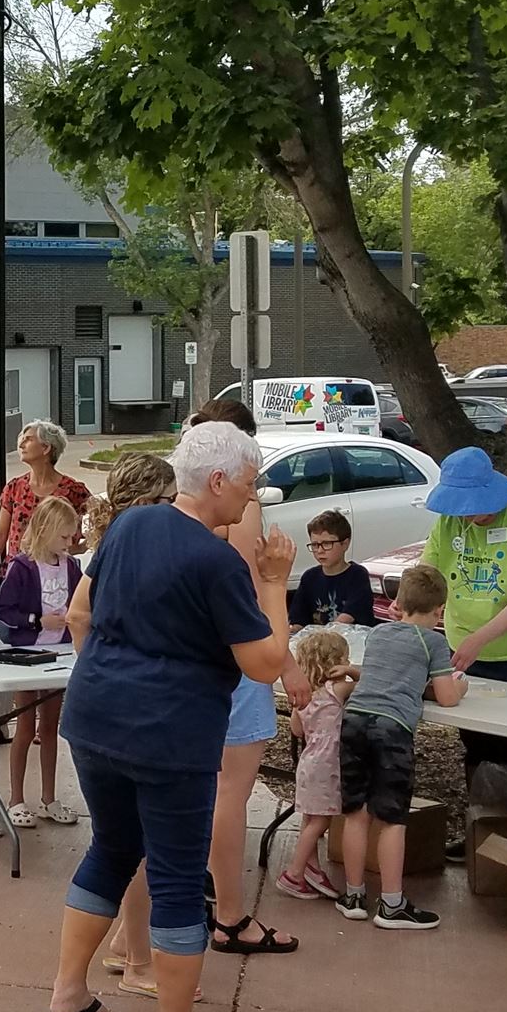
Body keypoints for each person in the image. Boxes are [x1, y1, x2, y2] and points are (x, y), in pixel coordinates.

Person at [38, 421, 305, 1012]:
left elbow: (81, 613)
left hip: (96, 716)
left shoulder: (129, 525)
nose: (253, 497)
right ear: (217, 481)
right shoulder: (216, 561)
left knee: (111, 848)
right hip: (171, 734)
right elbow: (267, 663)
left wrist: (109, 672)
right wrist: (274, 580)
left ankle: (69, 994)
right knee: (179, 880)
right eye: (249, 482)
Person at [184, 397, 305, 958]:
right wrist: (290, 663)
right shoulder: (243, 509)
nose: (252, 485)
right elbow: (258, 593)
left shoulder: (164, 511)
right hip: (238, 659)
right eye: (250, 474)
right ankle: (229, 914)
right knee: (231, 792)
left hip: (194, 660)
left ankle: (193, 894)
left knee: (202, 789)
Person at [409, 443, 507, 857]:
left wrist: (481, 638)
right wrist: (411, 608)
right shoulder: (448, 524)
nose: (466, 516)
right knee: (476, 741)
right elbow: (430, 575)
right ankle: (484, 830)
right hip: (465, 646)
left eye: (472, 506)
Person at [74, 454, 182, 1001]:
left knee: (119, 844)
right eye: (167, 500)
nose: (175, 510)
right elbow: (78, 613)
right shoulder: (130, 546)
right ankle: (139, 958)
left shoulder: (114, 543)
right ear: (146, 502)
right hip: (128, 715)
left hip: (104, 708)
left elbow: (80, 616)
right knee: (134, 848)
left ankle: (120, 947)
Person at [330, 564, 465, 930]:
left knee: (355, 811)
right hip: (392, 728)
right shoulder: (434, 642)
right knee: (391, 818)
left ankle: (354, 894)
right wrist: (460, 683)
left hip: (355, 719)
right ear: (439, 611)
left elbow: (381, 674)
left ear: (398, 604)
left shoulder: (379, 634)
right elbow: (448, 697)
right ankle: (391, 903)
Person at [0, 495, 83, 828]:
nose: (69, 543)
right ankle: (16, 797)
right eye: (63, 537)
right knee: (25, 727)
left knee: (49, 728)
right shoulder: (23, 566)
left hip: (58, 656)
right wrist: (37, 620)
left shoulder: (71, 566)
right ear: (45, 531)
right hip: (27, 656)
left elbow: (79, 604)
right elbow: (3, 611)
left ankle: (48, 797)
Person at [275, 626, 355, 901]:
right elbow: (366, 683)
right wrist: (353, 671)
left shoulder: (303, 695)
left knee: (310, 817)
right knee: (322, 820)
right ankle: (294, 873)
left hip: (308, 762)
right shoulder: (338, 689)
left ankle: (312, 866)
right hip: (327, 764)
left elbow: (297, 730)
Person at [0, 419, 92, 562]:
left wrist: (78, 549)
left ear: (46, 448)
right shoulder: (14, 488)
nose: (21, 445)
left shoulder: (74, 491)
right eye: (22, 440)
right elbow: (1, 535)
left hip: (57, 577)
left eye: (28, 440)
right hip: (18, 576)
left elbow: (100, 523)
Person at [287, 510, 374, 628]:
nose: (320, 550)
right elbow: (298, 619)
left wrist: (323, 637)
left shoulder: (358, 575)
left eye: (327, 543)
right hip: (317, 641)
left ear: (345, 544)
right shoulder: (309, 577)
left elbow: (348, 616)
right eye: (315, 545)